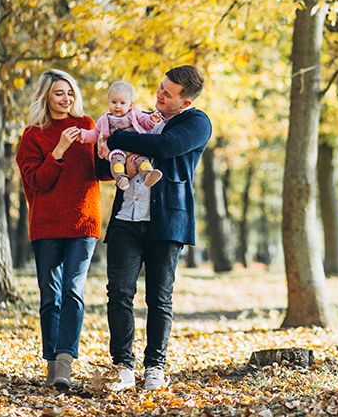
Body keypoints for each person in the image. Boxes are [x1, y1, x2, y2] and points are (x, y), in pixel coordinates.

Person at [100, 65, 211, 392]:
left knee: (159, 298)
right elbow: (103, 160)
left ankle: (155, 367)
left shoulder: (196, 122)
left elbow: (166, 148)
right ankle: (123, 366)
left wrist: (118, 136)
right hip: (126, 217)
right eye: (160, 87)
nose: (159, 95)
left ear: (185, 102)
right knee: (119, 293)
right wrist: (120, 157)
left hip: (166, 221)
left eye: (168, 93)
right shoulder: (140, 119)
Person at [15, 69, 101, 390]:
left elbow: (100, 171)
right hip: (47, 224)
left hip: (83, 223)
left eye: (69, 93)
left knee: (73, 291)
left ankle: (64, 362)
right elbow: (36, 181)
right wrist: (59, 151)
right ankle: (51, 365)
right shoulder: (32, 135)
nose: (66, 99)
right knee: (50, 295)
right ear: (46, 97)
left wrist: (119, 148)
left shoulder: (88, 126)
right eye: (58, 94)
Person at [78, 80, 164, 190]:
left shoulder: (134, 113)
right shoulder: (105, 119)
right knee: (116, 161)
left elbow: (145, 122)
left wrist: (152, 119)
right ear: (108, 102)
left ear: (130, 105)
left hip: (135, 148)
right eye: (114, 102)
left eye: (122, 103)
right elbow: (95, 134)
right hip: (117, 150)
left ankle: (148, 175)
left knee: (142, 160)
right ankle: (121, 179)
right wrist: (83, 135)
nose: (117, 106)